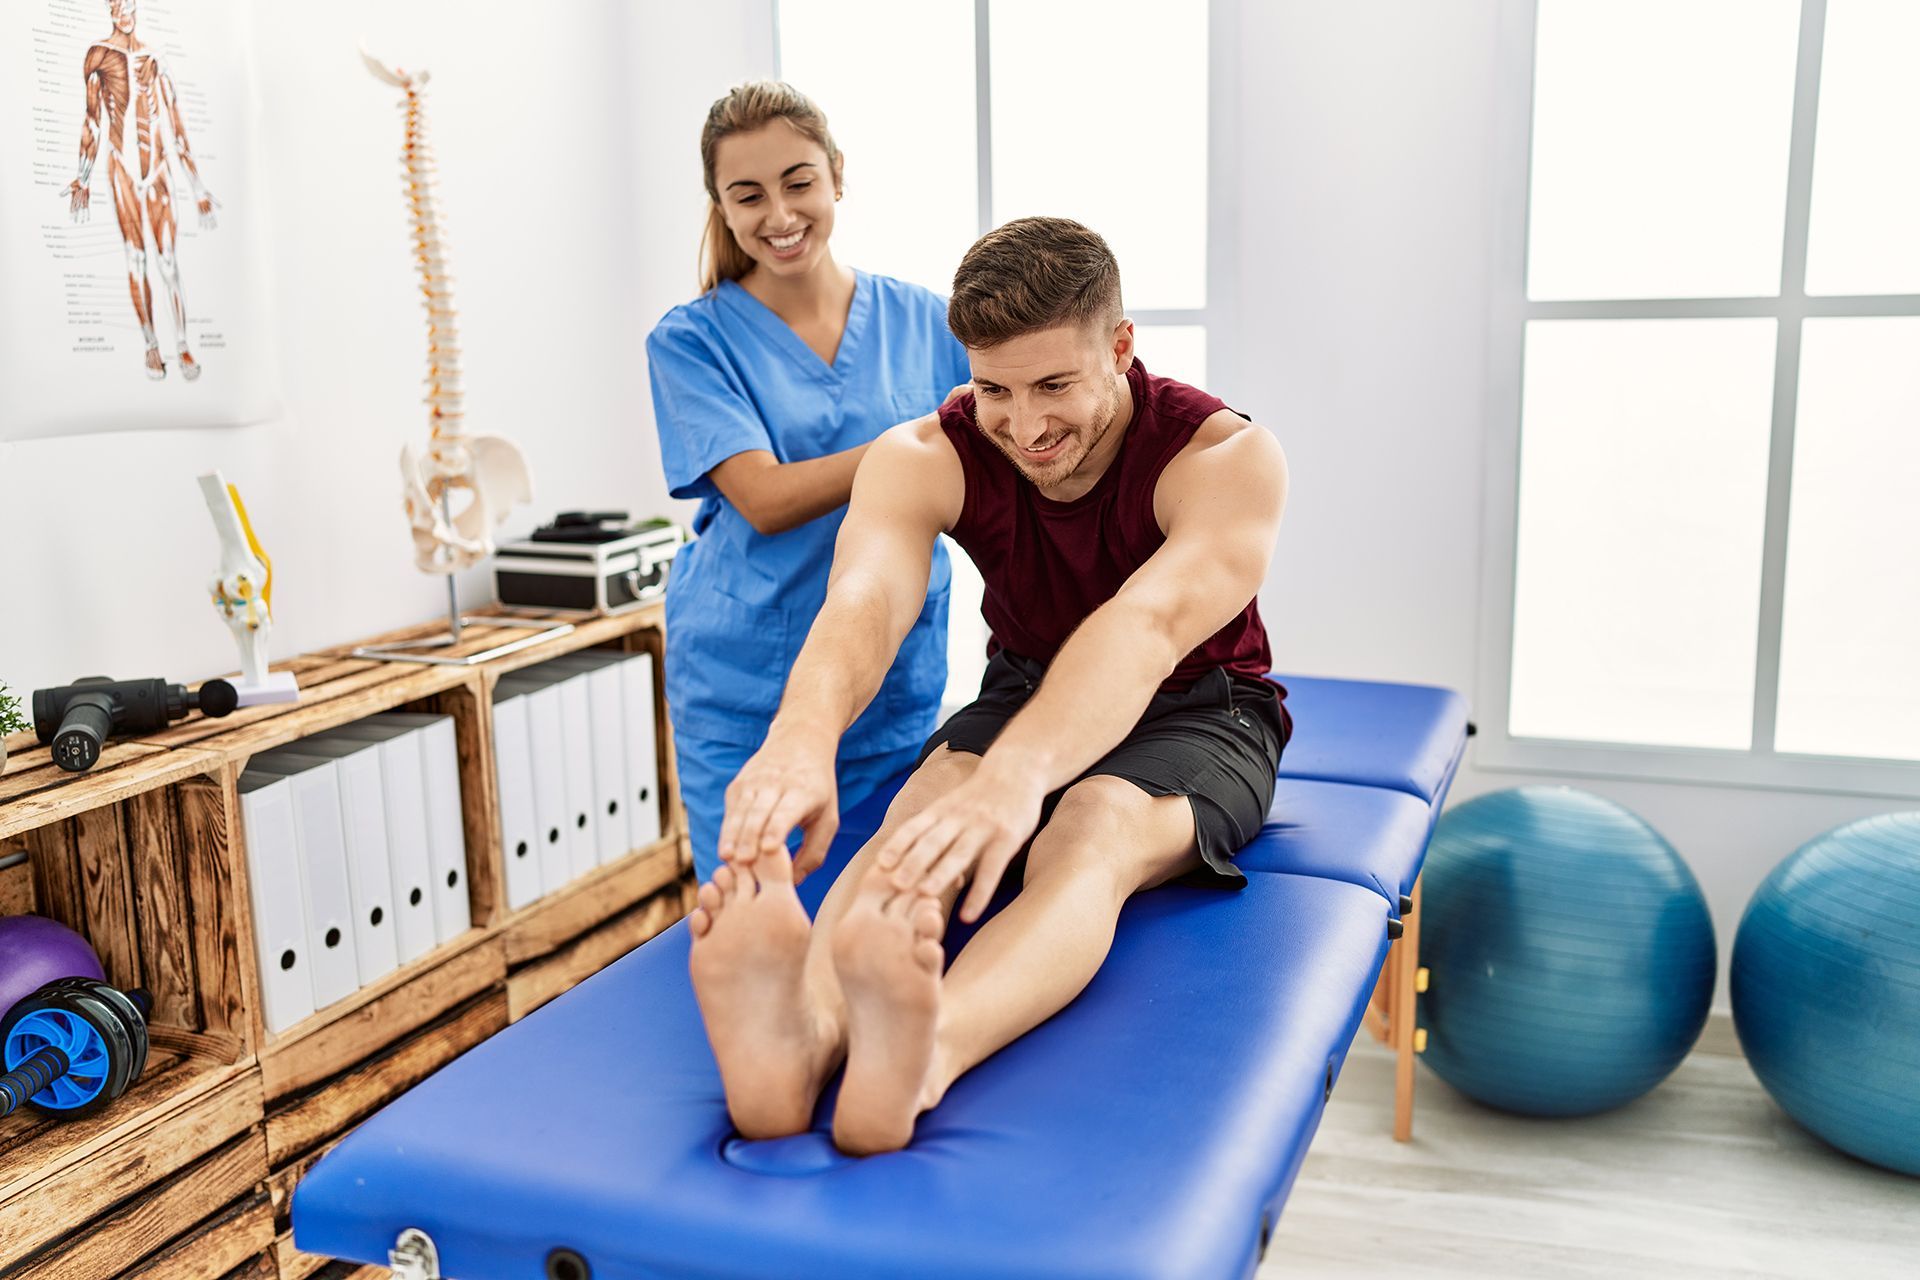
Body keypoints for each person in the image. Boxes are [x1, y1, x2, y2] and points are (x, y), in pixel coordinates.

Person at [687, 216, 1293, 1155]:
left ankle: (925, 1053)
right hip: (1024, 688)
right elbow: (865, 599)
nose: (1027, 425)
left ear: (1121, 348)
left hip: (1200, 705)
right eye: (994, 388)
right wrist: (800, 740)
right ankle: (802, 1033)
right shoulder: (926, 453)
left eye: (1055, 384)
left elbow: (1147, 629)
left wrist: (1021, 780)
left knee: (1093, 827)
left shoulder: (1221, 458)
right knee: (920, 815)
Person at [647, 82, 971, 880]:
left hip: (894, 677)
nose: (780, 215)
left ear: (835, 176)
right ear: (720, 207)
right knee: (759, 908)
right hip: (746, 684)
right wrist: (917, 442)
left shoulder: (929, 322)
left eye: (798, 182)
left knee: (879, 904)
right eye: (747, 194)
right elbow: (763, 498)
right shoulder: (692, 341)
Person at [66, 0, 218, 382]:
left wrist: (197, 185)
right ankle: (152, 345)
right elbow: (93, 120)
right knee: (137, 260)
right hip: (122, 171)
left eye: (128, 1)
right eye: (116, 3)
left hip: (158, 171)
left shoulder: (155, 58)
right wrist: (83, 176)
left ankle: (182, 344)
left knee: (168, 263)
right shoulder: (98, 56)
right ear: (108, 8)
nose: (124, 8)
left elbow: (177, 122)